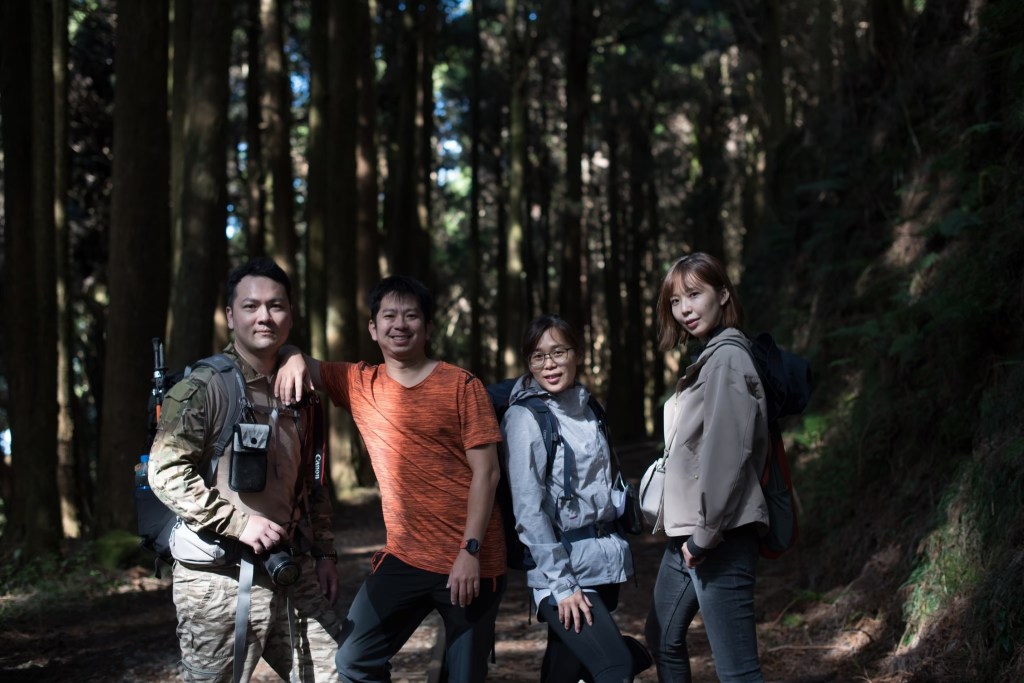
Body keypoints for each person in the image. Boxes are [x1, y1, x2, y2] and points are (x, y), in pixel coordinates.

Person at [274, 275, 507, 683]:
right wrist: (292, 354)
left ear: (428, 328)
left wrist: (469, 551)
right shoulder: (359, 382)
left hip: (471, 560)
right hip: (406, 557)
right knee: (354, 659)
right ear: (373, 327)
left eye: (411, 316)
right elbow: (299, 360)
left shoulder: (461, 385)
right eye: (389, 316)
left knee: (464, 676)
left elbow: (487, 473)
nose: (400, 324)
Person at [149, 257, 342, 683]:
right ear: (230, 315)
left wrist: (325, 553)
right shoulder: (204, 387)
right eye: (251, 306)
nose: (264, 317)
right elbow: (165, 471)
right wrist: (239, 523)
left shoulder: (300, 389)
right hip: (217, 581)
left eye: (276, 306)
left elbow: (312, 485)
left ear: (290, 314)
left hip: (290, 572)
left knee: (347, 673)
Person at [502, 314, 651, 683]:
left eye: (559, 352)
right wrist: (563, 585)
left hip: (602, 561)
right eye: (538, 356)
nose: (549, 364)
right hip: (561, 572)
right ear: (528, 362)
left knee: (564, 670)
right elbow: (528, 510)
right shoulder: (525, 418)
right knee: (616, 667)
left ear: (577, 354)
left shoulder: (589, 407)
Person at [643, 252, 769, 682]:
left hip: (720, 533)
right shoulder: (711, 357)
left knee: (737, 670)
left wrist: (705, 536)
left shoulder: (729, 358)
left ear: (723, 294)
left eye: (694, 295)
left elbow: (727, 455)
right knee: (661, 635)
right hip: (692, 532)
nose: (685, 309)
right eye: (676, 301)